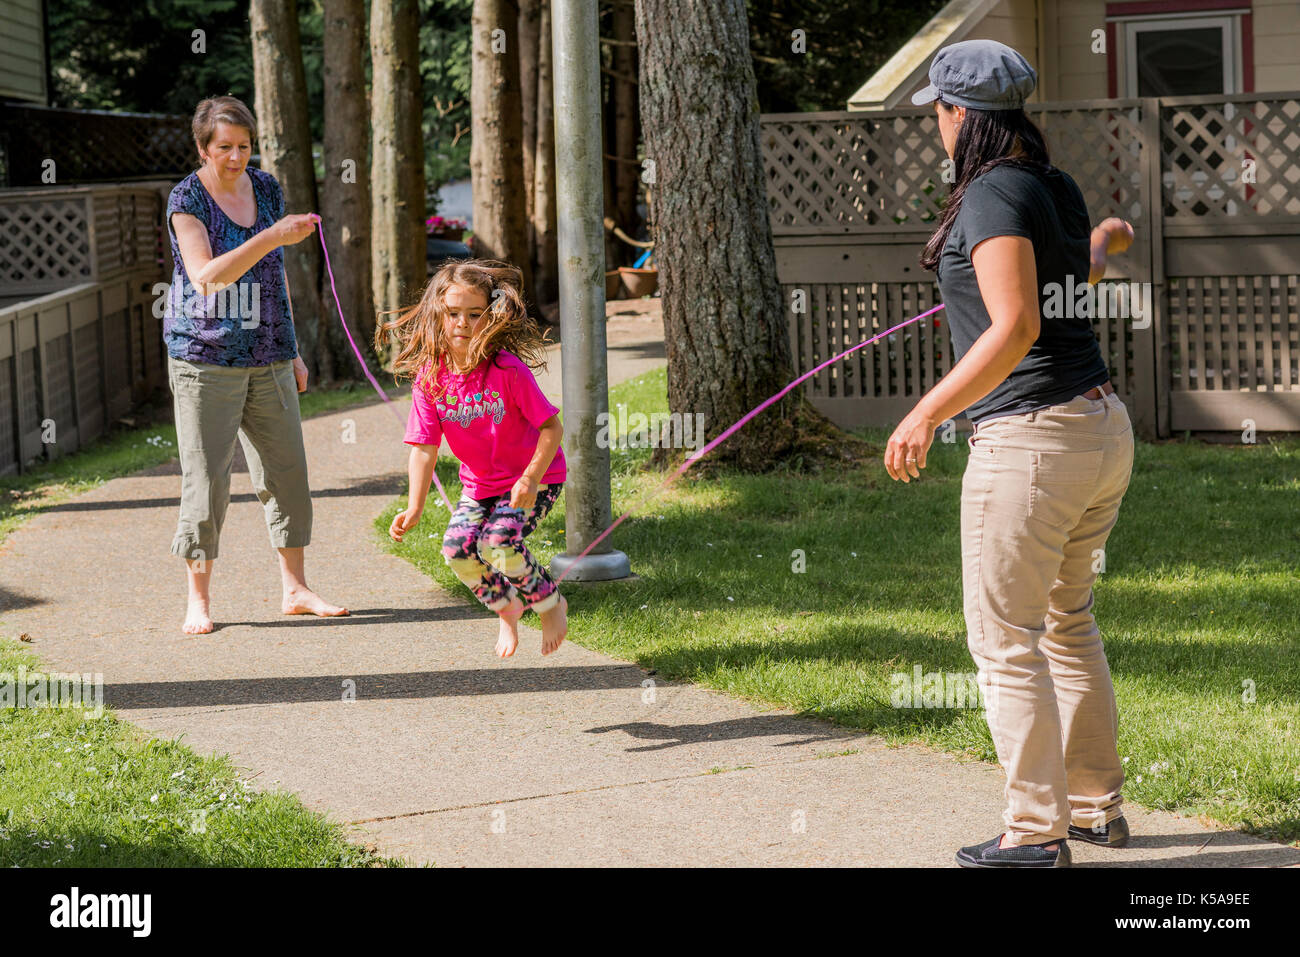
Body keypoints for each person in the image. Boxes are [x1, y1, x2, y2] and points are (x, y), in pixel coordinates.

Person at [884, 40, 1137, 868]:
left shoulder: (990, 193)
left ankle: (1034, 832)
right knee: (1066, 620)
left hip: (1030, 441)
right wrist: (1098, 246)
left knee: (1005, 641)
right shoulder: (1050, 184)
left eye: (940, 113)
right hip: (1098, 429)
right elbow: (1062, 292)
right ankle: (1096, 807)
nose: (937, 127)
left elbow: (1017, 325)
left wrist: (924, 413)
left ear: (963, 116)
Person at [165, 95, 348, 635]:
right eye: (224, 147)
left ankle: (295, 589)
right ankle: (198, 600)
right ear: (203, 148)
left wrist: (291, 348)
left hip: (268, 352)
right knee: (207, 480)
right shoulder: (187, 198)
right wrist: (270, 236)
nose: (236, 157)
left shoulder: (266, 187)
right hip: (206, 356)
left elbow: (275, 277)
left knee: (287, 471)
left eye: (244, 146)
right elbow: (206, 275)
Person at [381, 260, 569, 657]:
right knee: (456, 549)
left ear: (491, 315)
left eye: (473, 314)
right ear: (438, 314)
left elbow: (552, 428)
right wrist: (415, 506)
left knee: (500, 542)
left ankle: (551, 604)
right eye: (452, 314)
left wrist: (531, 479)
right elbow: (424, 447)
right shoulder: (430, 377)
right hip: (481, 484)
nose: (462, 323)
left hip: (536, 478)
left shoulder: (508, 370)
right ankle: (507, 607)